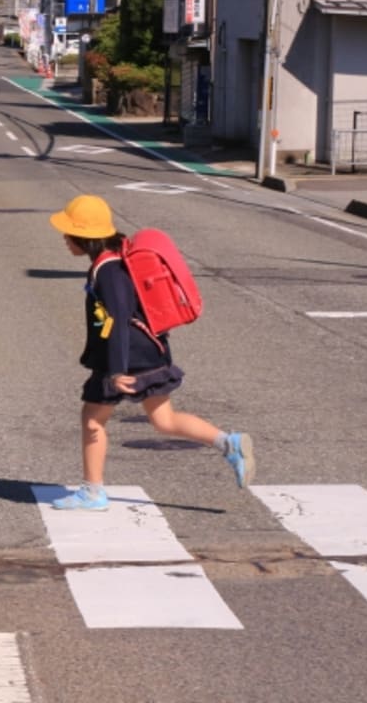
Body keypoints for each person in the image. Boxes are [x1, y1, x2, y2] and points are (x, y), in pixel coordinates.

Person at [47, 194, 255, 511]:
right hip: (148, 350)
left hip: (126, 356)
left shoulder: (108, 270)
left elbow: (117, 318)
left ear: (84, 236)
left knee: (92, 419)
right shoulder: (116, 258)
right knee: (164, 420)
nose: (64, 239)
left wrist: (116, 370)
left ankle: (92, 492)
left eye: (68, 233)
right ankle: (228, 443)